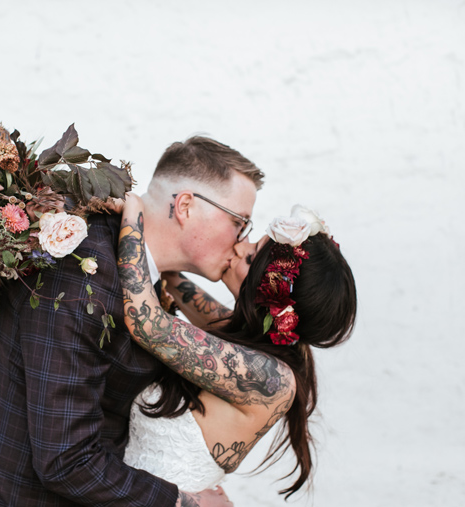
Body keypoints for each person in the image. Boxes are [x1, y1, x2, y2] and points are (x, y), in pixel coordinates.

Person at [0, 136, 264, 506]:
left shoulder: (137, 267)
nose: (242, 242)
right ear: (187, 207)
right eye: (240, 223)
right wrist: (183, 503)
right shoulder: (83, 279)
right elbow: (65, 459)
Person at [117, 195, 357, 498]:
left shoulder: (271, 379)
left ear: (271, 295)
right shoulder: (247, 341)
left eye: (250, 256)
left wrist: (134, 213)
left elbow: (147, 323)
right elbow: (176, 282)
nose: (239, 247)